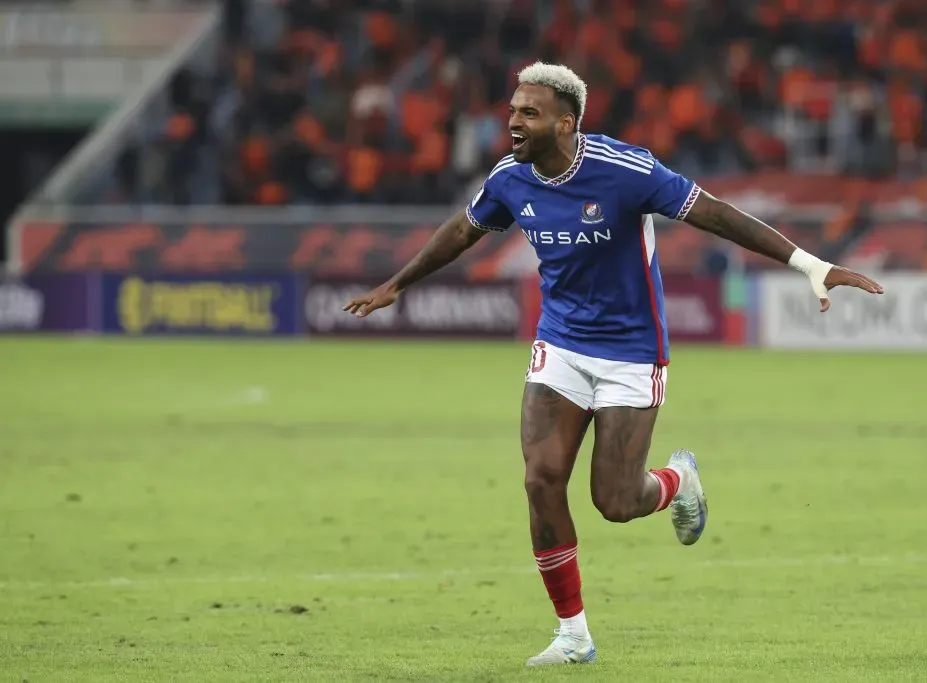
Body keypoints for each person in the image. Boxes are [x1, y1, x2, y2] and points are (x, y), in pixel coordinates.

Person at [343, 62, 884, 667]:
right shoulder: (509, 178)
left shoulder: (625, 170)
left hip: (631, 349)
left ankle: (678, 481)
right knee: (540, 480)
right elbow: (464, 232)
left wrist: (809, 264)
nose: (513, 121)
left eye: (529, 113)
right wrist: (398, 282)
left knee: (616, 501)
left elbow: (715, 213)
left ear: (565, 123)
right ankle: (573, 634)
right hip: (561, 345)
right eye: (513, 109)